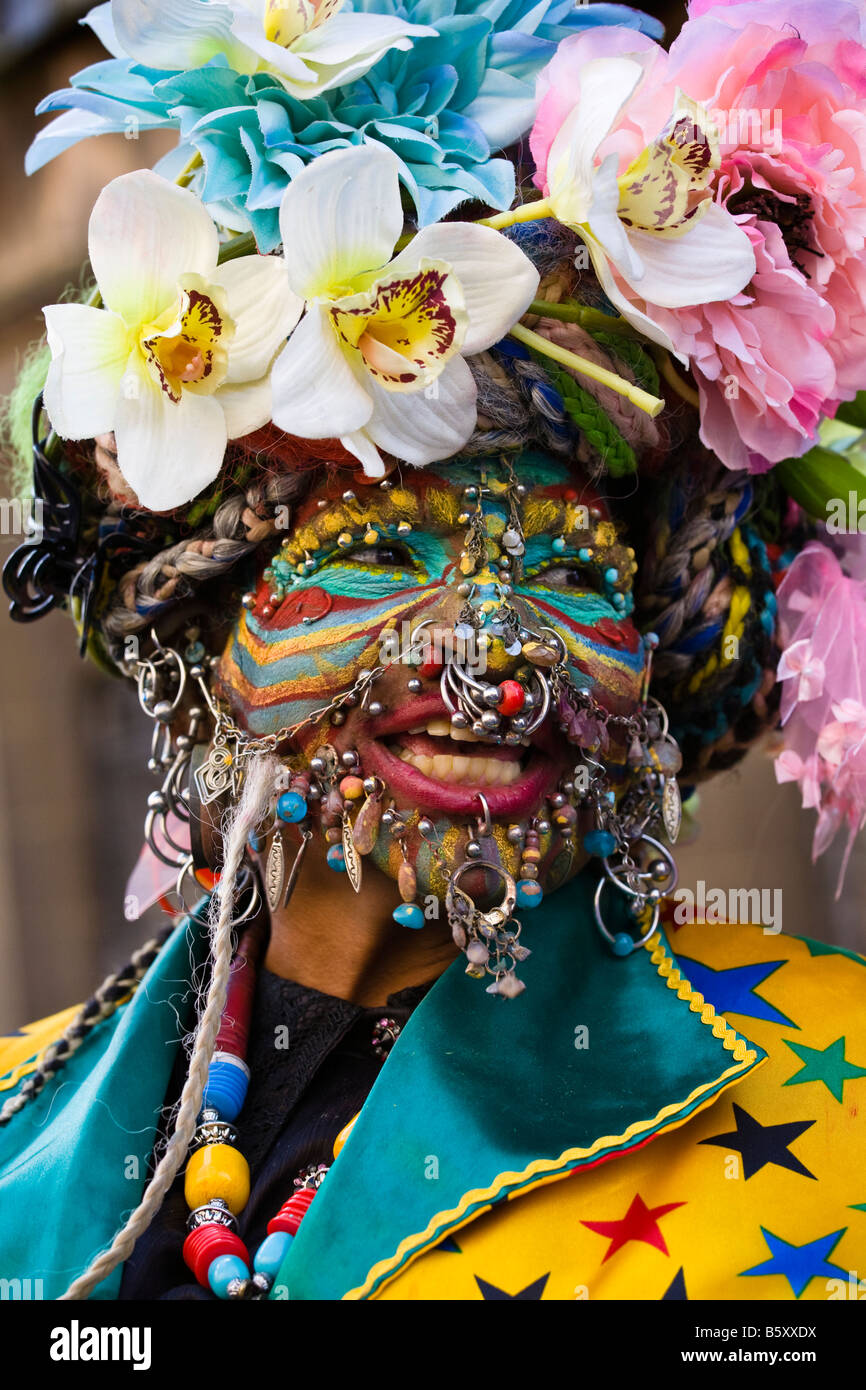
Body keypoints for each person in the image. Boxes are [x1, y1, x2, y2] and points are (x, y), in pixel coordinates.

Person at [1, 0, 865, 1304]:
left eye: (572, 576)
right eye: (384, 558)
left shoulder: (833, 1097)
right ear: (213, 621)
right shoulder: (19, 1106)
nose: (490, 651)